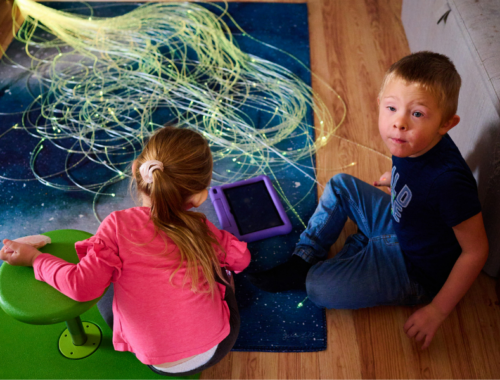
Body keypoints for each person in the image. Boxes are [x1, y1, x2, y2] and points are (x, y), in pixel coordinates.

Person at [248, 51, 489, 350]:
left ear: (445, 124)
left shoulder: (449, 182)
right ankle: (304, 257)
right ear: (380, 104)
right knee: (339, 185)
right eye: (391, 108)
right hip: (400, 222)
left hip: (414, 270)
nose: (399, 123)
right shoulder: (411, 142)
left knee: (318, 288)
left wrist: (438, 310)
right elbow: (417, 170)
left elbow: (476, 252)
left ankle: (357, 248)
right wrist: (396, 176)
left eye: (417, 114)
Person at [0, 126, 251, 375]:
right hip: (218, 345)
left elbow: (81, 287)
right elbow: (241, 260)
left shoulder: (117, 225)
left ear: (135, 169)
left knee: (109, 284)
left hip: (158, 363)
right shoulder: (202, 229)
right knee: (221, 270)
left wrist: (35, 259)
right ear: (199, 198)